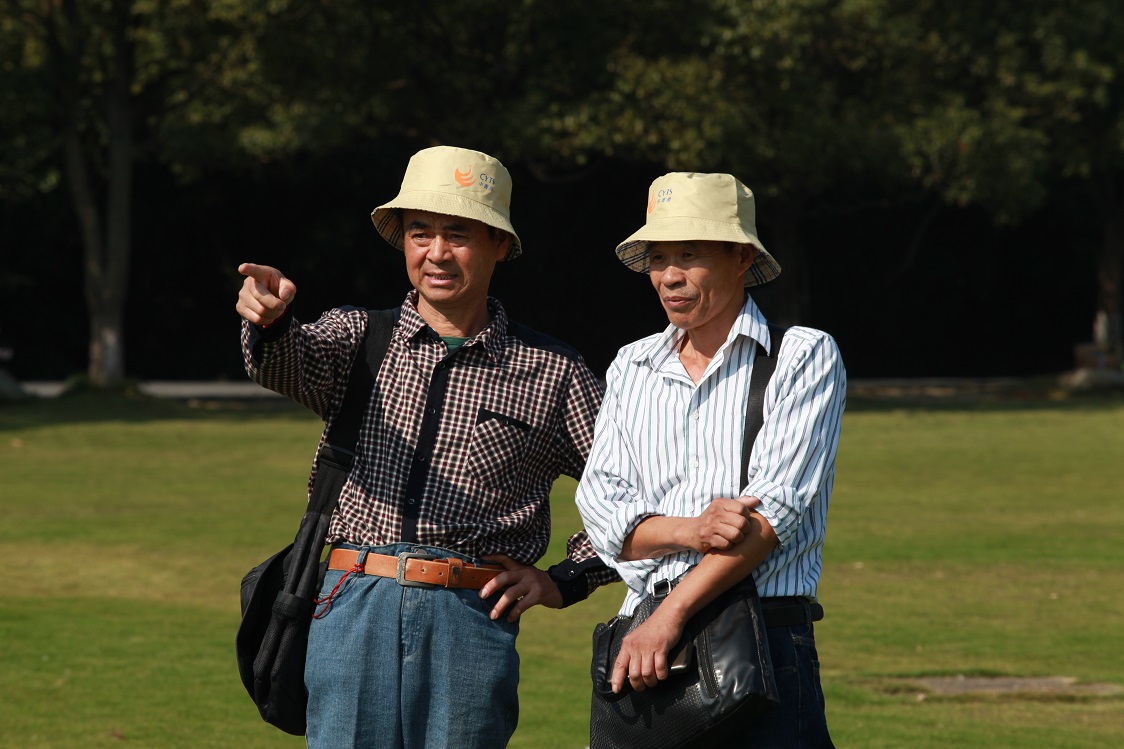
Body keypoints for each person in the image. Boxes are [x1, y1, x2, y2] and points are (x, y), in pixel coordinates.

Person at [235, 145, 617, 748]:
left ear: (498, 244)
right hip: (351, 604)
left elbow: (628, 494)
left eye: (457, 234)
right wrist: (272, 320)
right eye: (420, 232)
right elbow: (288, 364)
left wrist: (565, 578)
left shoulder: (553, 371)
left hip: (470, 618)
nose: (436, 252)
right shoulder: (358, 337)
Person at [575, 171, 846, 746]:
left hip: (761, 639)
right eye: (658, 258)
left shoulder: (802, 355)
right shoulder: (631, 365)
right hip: (646, 645)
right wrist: (693, 531)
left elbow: (771, 517)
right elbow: (602, 515)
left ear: (742, 257)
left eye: (690, 254)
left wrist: (670, 614)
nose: (669, 275)